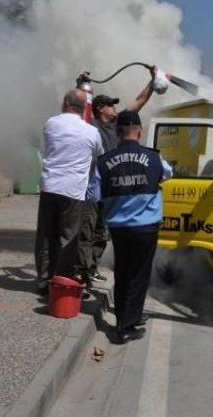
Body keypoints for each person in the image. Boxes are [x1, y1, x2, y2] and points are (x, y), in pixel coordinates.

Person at [89, 110, 172, 344]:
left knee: (123, 272)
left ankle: (126, 317)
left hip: (119, 227)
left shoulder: (104, 162)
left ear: (117, 133)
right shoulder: (154, 158)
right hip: (146, 226)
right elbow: (168, 173)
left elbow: (94, 195)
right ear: (140, 131)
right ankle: (126, 326)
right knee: (139, 275)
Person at [77, 68, 157, 285]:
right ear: (100, 109)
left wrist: (153, 80)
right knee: (86, 230)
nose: (115, 108)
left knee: (102, 233)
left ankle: (91, 268)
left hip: (109, 188)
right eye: (110, 104)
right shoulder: (89, 125)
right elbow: (80, 106)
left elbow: (139, 101)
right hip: (90, 187)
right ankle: (81, 274)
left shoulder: (117, 124)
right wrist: (82, 85)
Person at [35, 89, 104, 294]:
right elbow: (98, 154)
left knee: (47, 235)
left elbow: (47, 148)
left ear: (65, 103)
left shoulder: (51, 123)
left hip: (50, 186)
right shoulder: (91, 132)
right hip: (74, 191)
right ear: (84, 109)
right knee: (68, 238)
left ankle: (43, 279)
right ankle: (61, 280)